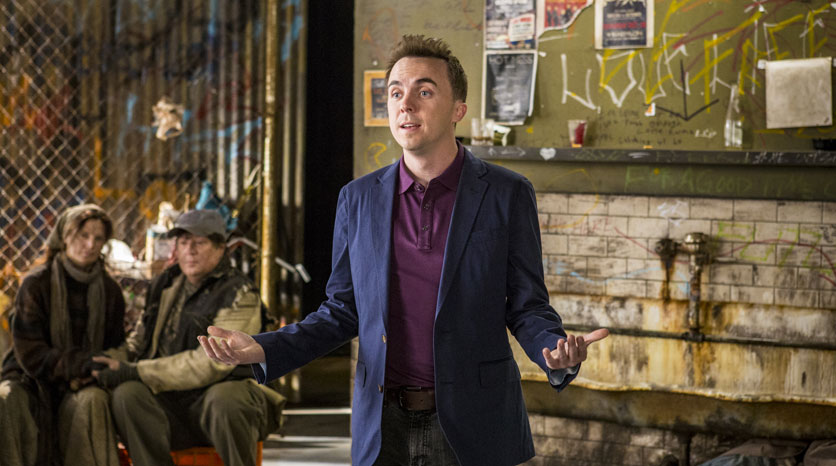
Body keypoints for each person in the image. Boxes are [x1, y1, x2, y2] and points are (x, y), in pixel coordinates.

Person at [200, 35, 609, 466]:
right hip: (383, 427)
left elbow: (527, 305)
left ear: (458, 110)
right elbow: (342, 311)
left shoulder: (507, 193)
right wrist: (265, 348)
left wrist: (553, 350)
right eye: (395, 92)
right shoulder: (357, 199)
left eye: (424, 91)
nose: (405, 104)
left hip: (475, 423)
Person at [92, 209, 285, 466]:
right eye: (183, 242)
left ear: (220, 248)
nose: (190, 250)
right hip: (173, 400)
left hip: (222, 398)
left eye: (200, 242)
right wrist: (104, 362)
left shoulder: (239, 293)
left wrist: (134, 371)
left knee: (226, 399)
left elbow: (212, 363)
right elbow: (139, 341)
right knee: (127, 395)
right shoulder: (166, 284)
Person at [0, 204, 126, 466]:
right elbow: (31, 354)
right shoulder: (36, 284)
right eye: (83, 235)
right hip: (32, 377)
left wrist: (91, 370)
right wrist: (81, 363)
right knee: (6, 398)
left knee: (94, 401)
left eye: (98, 238)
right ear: (65, 236)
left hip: (84, 381)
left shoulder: (110, 291)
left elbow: (113, 347)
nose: (90, 244)